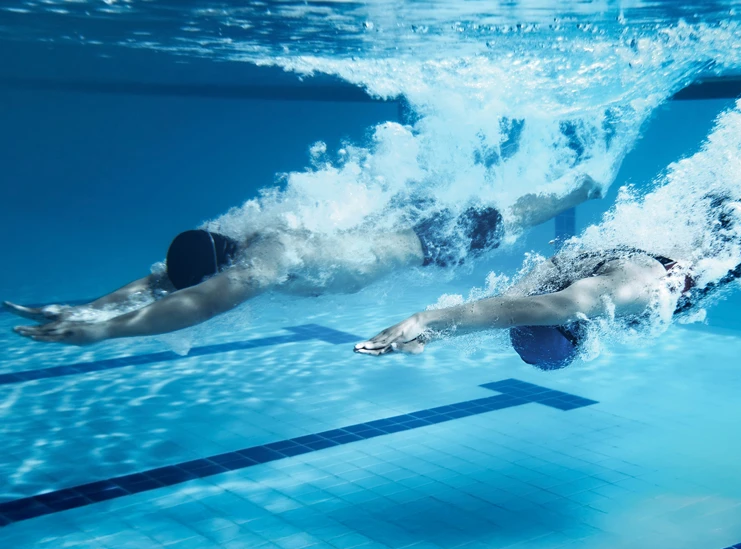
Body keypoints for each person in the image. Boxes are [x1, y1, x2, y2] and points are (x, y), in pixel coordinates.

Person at [354, 111, 741, 368]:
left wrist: (426, 320)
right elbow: (518, 304)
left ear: (577, 330)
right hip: (708, 223)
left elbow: (554, 307)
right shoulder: (558, 270)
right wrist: (445, 333)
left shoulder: (611, 296)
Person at [7, 174, 604, 346]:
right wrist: (82, 308)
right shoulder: (234, 239)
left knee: (526, 208)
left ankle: (587, 183)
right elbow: (160, 280)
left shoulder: (266, 259)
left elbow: (194, 305)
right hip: (405, 220)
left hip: (429, 239)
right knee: (506, 198)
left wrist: (103, 333)